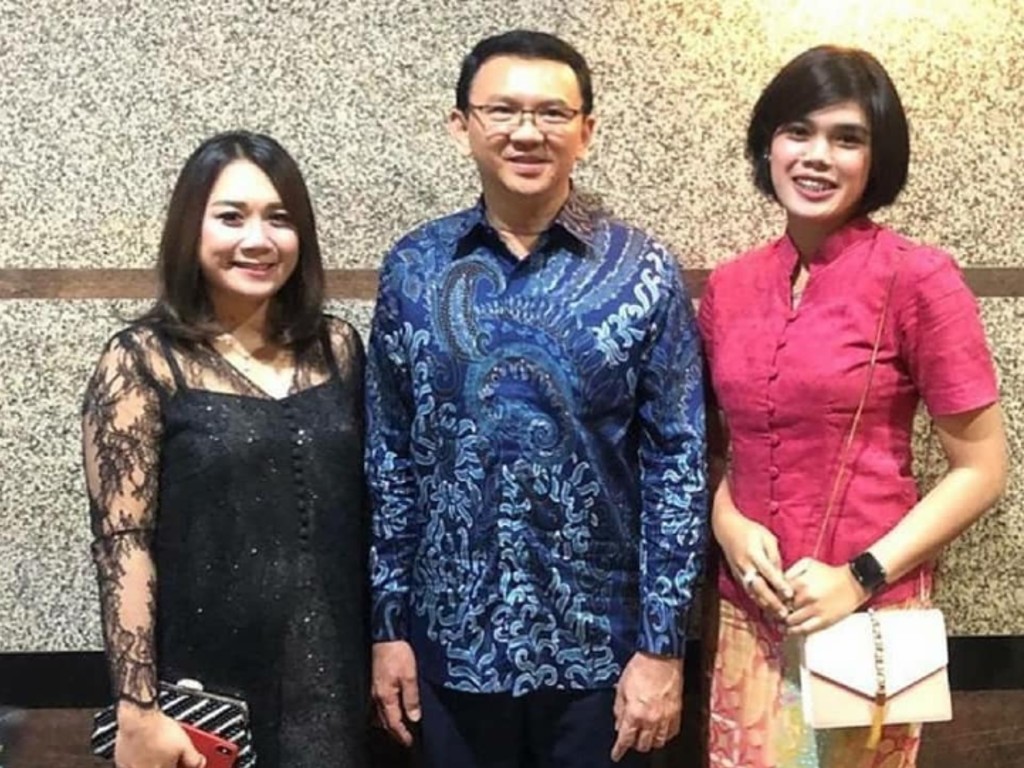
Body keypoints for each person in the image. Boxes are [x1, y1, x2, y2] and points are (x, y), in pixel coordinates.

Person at [365, 29, 708, 768]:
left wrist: (662, 647)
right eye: (502, 110)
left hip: (604, 656)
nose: (527, 132)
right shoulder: (414, 268)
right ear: (462, 125)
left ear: (587, 130)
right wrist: (388, 627)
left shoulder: (643, 271)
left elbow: (676, 466)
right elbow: (390, 458)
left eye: (553, 113)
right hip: (450, 647)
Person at [699, 46, 1008, 767]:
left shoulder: (920, 279)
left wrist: (859, 575)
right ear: (768, 144)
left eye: (847, 138)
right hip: (749, 611)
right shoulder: (730, 287)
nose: (817, 156)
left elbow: (982, 469)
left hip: (867, 614)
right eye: (798, 131)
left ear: (877, 159)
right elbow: (715, 447)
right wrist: (728, 523)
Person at [82, 131, 369, 768]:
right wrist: (137, 708)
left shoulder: (338, 349)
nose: (258, 240)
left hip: (335, 677)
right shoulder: (141, 361)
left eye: (279, 219)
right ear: (192, 227)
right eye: (232, 217)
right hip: (203, 691)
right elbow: (123, 544)